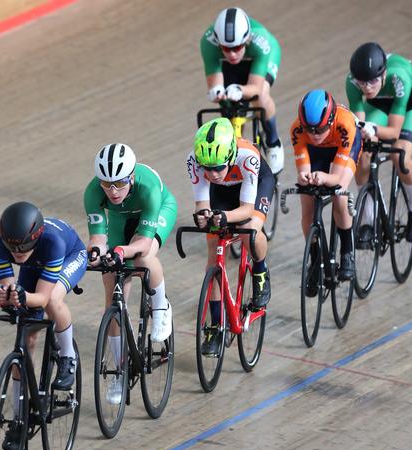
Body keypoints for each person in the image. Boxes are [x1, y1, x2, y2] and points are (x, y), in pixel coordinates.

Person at [84, 143, 177, 404]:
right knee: (112, 290)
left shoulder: (147, 188)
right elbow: (98, 236)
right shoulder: (93, 192)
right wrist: (95, 252)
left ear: (132, 177)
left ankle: (160, 308)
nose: (113, 191)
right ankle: (120, 371)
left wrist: (121, 251)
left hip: (157, 213)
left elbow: (143, 243)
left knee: (144, 258)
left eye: (120, 183)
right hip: (121, 222)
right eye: (106, 184)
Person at [0, 201, 87, 450]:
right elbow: (11, 290)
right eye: (12, 247)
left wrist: (20, 297)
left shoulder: (52, 242)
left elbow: (42, 299)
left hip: (69, 256)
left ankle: (67, 356)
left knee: (54, 300)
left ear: (34, 236)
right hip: (35, 267)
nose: (17, 252)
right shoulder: (0, 244)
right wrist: (5, 297)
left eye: (22, 245)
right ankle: (19, 418)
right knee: (27, 339)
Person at [186, 117, 274, 355]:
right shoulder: (195, 161)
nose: (212, 173)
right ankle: (214, 326)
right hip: (222, 194)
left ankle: (260, 270)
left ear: (231, 156)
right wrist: (203, 217)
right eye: (207, 168)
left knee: (250, 233)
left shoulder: (247, 157)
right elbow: (202, 203)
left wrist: (225, 216)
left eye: (217, 167)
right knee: (213, 258)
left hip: (253, 187)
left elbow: (246, 209)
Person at [347, 42, 412, 242]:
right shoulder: (352, 83)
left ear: (383, 74)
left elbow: (393, 132)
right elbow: (360, 125)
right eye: (362, 82)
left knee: (399, 154)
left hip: (409, 102)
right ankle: (368, 219)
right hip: (382, 101)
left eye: (372, 81)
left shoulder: (399, 77)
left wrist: (373, 129)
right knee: (362, 155)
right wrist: (365, 132)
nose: (366, 87)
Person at [291, 89, 361, 292]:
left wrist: (324, 178)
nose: (314, 135)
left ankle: (347, 252)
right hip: (318, 153)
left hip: (344, 145)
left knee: (339, 195)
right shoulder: (297, 130)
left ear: (330, 121)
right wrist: (305, 177)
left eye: (319, 130)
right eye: (309, 130)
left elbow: (337, 179)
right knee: (308, 204)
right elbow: (304, 171)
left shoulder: (344, 124)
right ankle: (315, 260)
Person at [200, 6, 284, 175]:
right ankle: (234, 146)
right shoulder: (207, 43)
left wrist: (240, 89)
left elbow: (255, 87)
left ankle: (273, 142)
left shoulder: (261, 42)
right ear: (218, 43)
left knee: (260, 97)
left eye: (236, 48)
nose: (231, 54)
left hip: (263, 57)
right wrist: (218, 92)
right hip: (236, 64)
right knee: (227, 104)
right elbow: (215, 84)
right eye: (226, 48)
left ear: (246, 40)